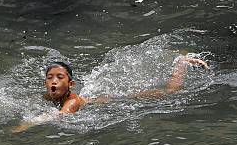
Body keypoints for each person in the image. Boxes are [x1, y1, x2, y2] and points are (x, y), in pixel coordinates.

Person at [11, 56, 208, 133]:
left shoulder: (71, 102)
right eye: (49, 77)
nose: (53, 81)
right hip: (99, 97)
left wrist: (26, 124)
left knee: (169, 92)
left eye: (59, 77)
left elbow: (57, 116)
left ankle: (181, 63)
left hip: (117, 100)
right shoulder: (50, 95)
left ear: (70, 84)